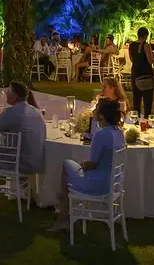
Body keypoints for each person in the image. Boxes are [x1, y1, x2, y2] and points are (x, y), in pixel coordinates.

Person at [47, 98, 125, 233]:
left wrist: (83, 164)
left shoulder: (101, 135)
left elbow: (92, 164)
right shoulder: (118, 133)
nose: (93, 110)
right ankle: (63, 214)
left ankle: (62, 218)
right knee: (71, 169)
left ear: (101, 114)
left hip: (97, 184)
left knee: (66, 164)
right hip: (114, 184)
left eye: (96, 109)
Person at [128, 27, 154, 117]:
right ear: (146, 35)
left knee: (136, 100)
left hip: (135, 74)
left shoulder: (131, 45)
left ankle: (135, 123)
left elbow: (132, 59)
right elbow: (150, 61)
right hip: (146, 74)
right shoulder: (146, 45)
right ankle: (146, 122)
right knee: (147, 102)